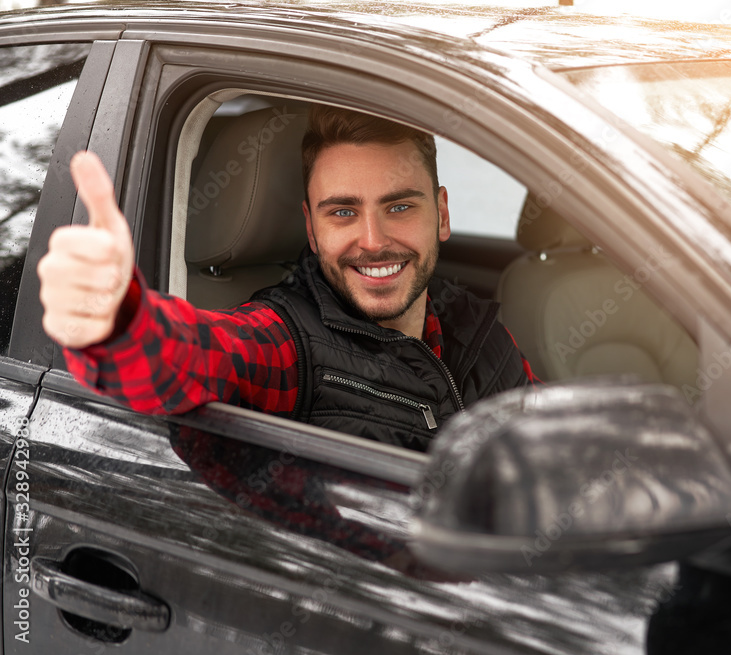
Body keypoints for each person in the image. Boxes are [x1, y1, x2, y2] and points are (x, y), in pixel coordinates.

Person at [38, 106, 538, 451]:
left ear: (442, 214)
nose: (372, 240)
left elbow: (554, 440)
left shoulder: (478, 325)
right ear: (311, 230)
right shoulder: (287, 341)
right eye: (342, 212)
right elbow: (202, 355)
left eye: (400, 206)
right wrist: (119, 322)